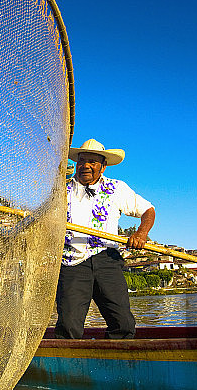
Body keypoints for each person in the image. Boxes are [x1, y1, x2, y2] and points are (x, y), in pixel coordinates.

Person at [55, 139, 155, 339]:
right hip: (71, 262)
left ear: (103, 166)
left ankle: (121, 359)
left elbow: (148, 210)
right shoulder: (60, 189)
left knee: (123, 322)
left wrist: (141, 234)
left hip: (106, 259)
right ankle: (69, 364)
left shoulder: (117, 188)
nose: (86, 166)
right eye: (83, 161)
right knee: (68, 324)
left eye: (93, 162)